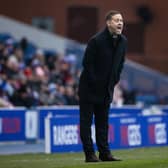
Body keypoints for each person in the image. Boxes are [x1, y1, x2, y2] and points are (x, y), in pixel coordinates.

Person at [78, 10, 127, 162]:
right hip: (89, 89)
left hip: (106, 89)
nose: (120, 23)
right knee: (86, 123)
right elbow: (87, 64)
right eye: (116, 20)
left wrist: (114, 80)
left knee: (103, 123)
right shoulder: (96, 41)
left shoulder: (123, 41)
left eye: (121, 21)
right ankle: (89, 154)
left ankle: (105, 153)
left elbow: (120, 63)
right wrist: (96, 82)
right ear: (108, 23)